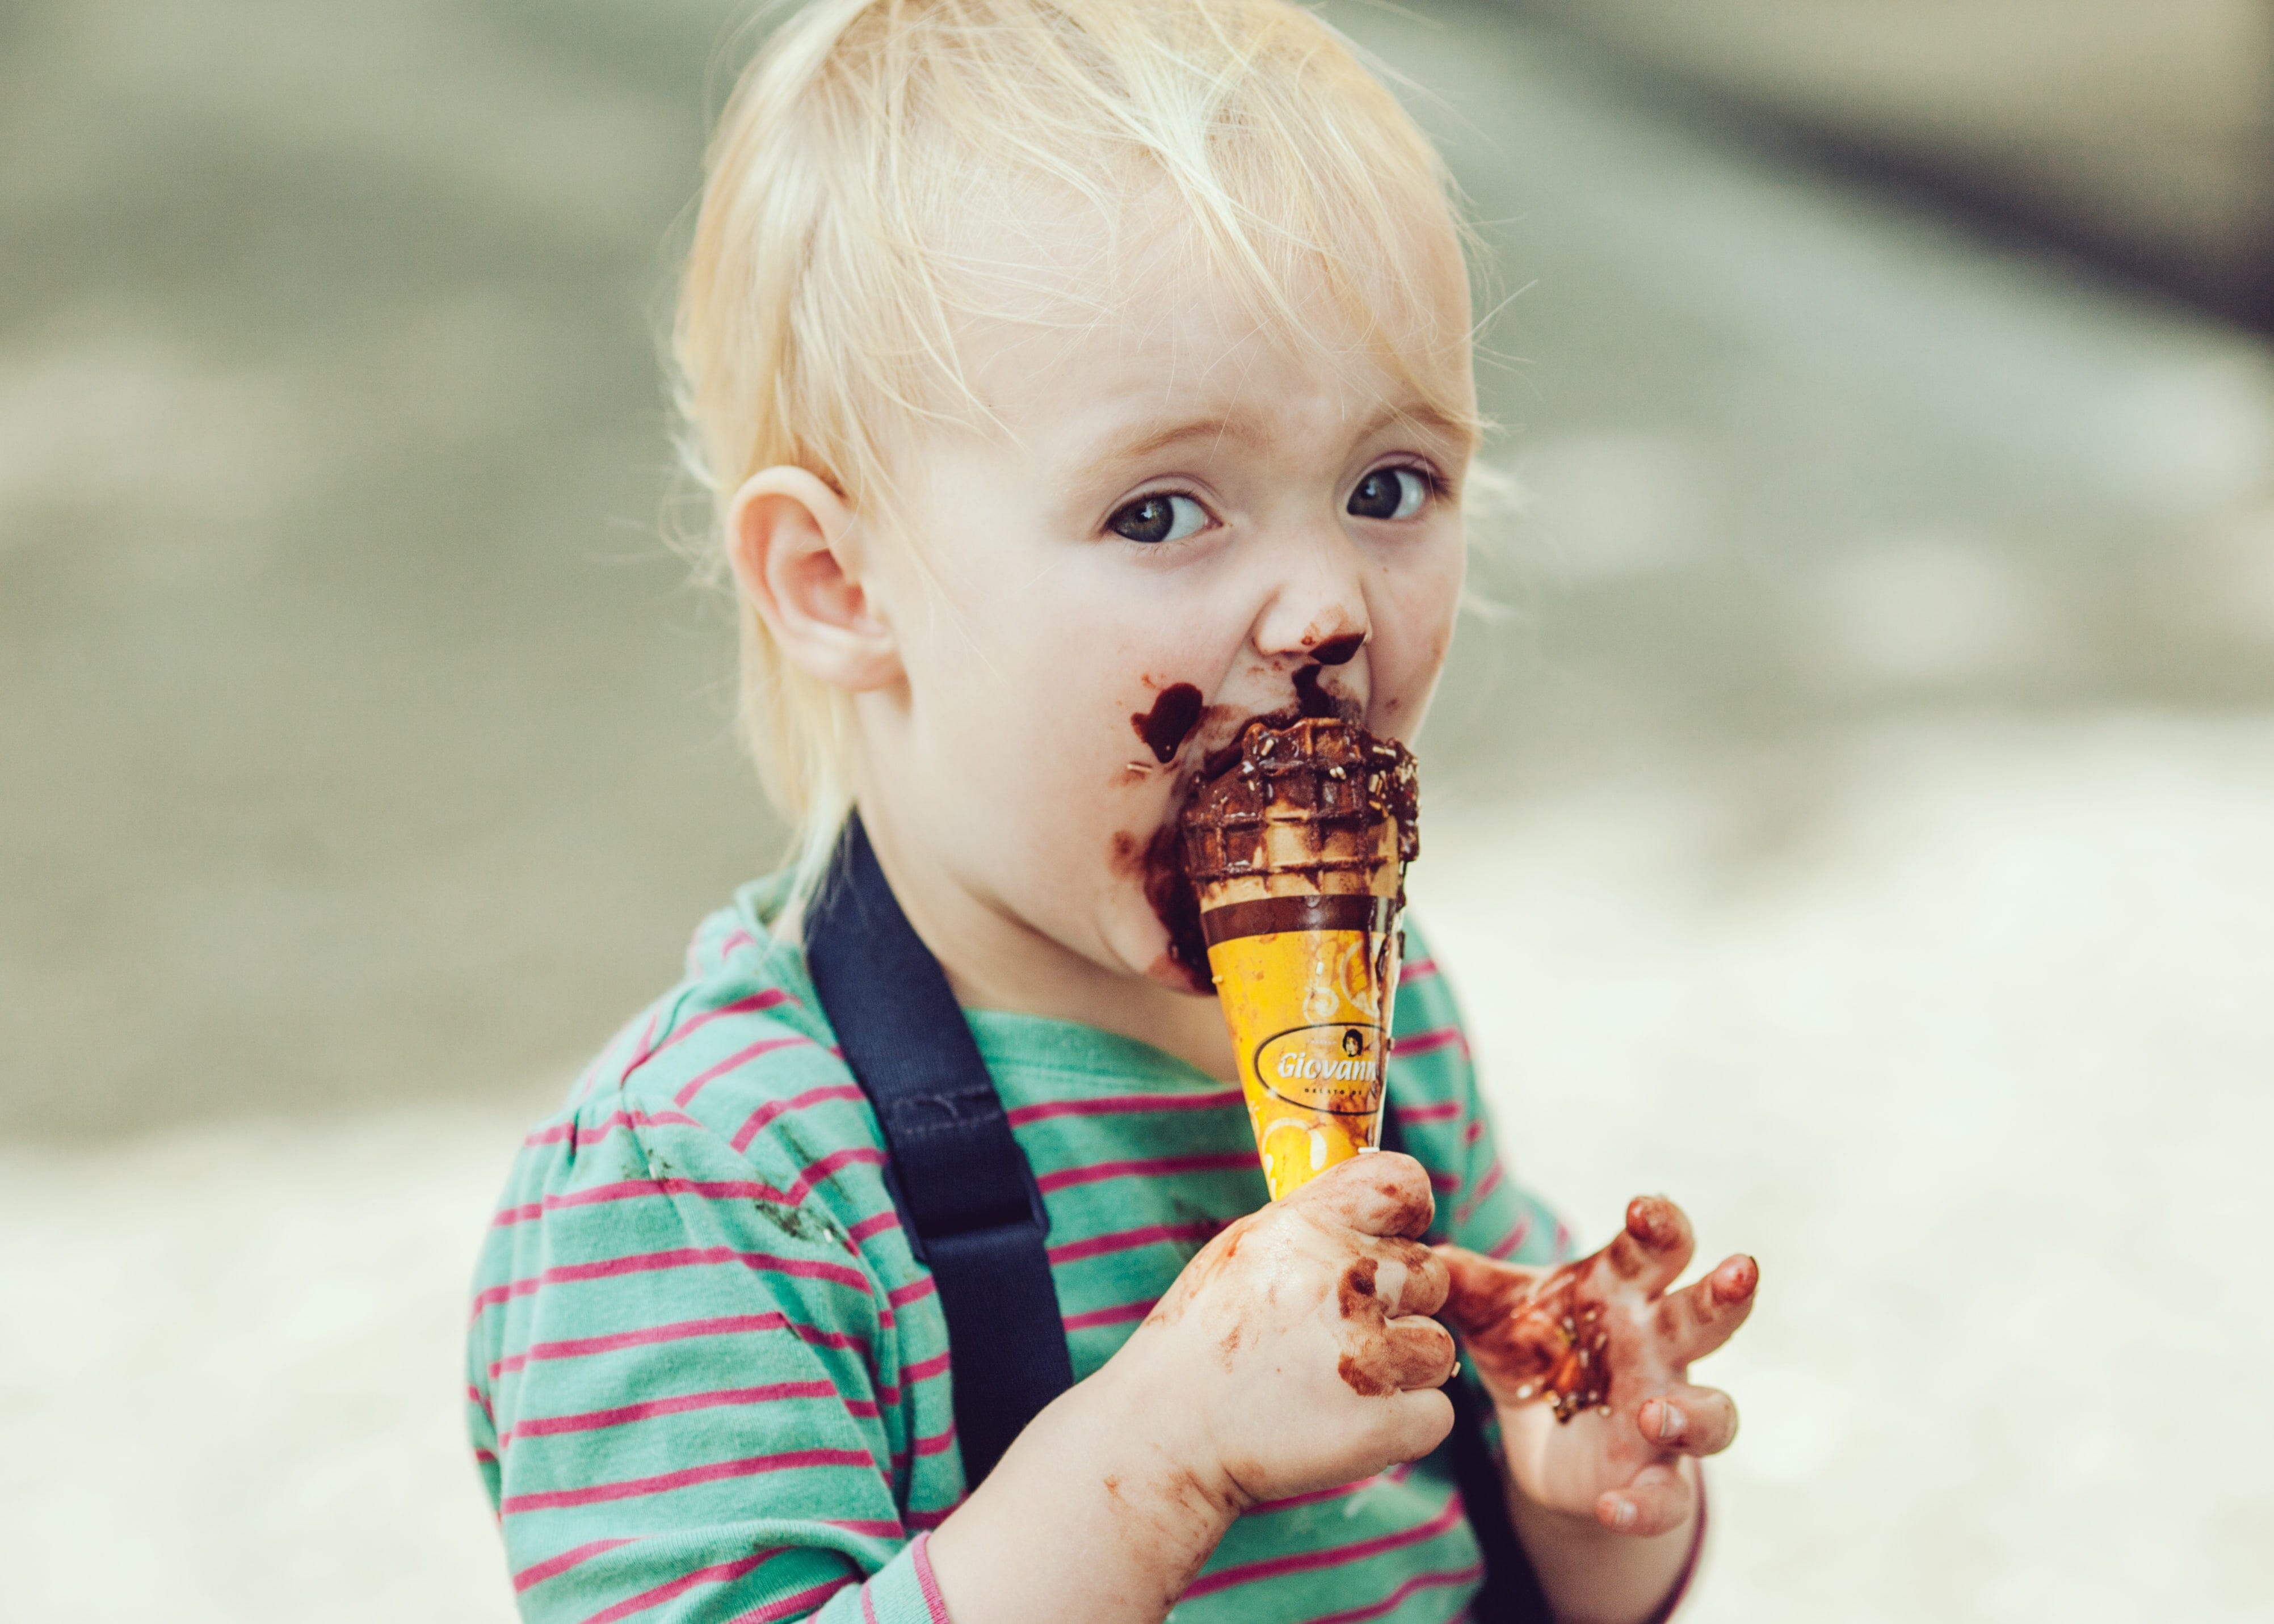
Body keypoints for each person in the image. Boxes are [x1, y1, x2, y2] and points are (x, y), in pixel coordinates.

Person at [465, 2, 1759, 1620]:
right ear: (839, 582)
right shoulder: (718, 1180)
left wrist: (1581, 1486)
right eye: (1162, 510)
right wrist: (1160, 1458)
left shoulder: (1388, 1024)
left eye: (1388, 487)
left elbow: (1519, 1577)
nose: (1323, 604)